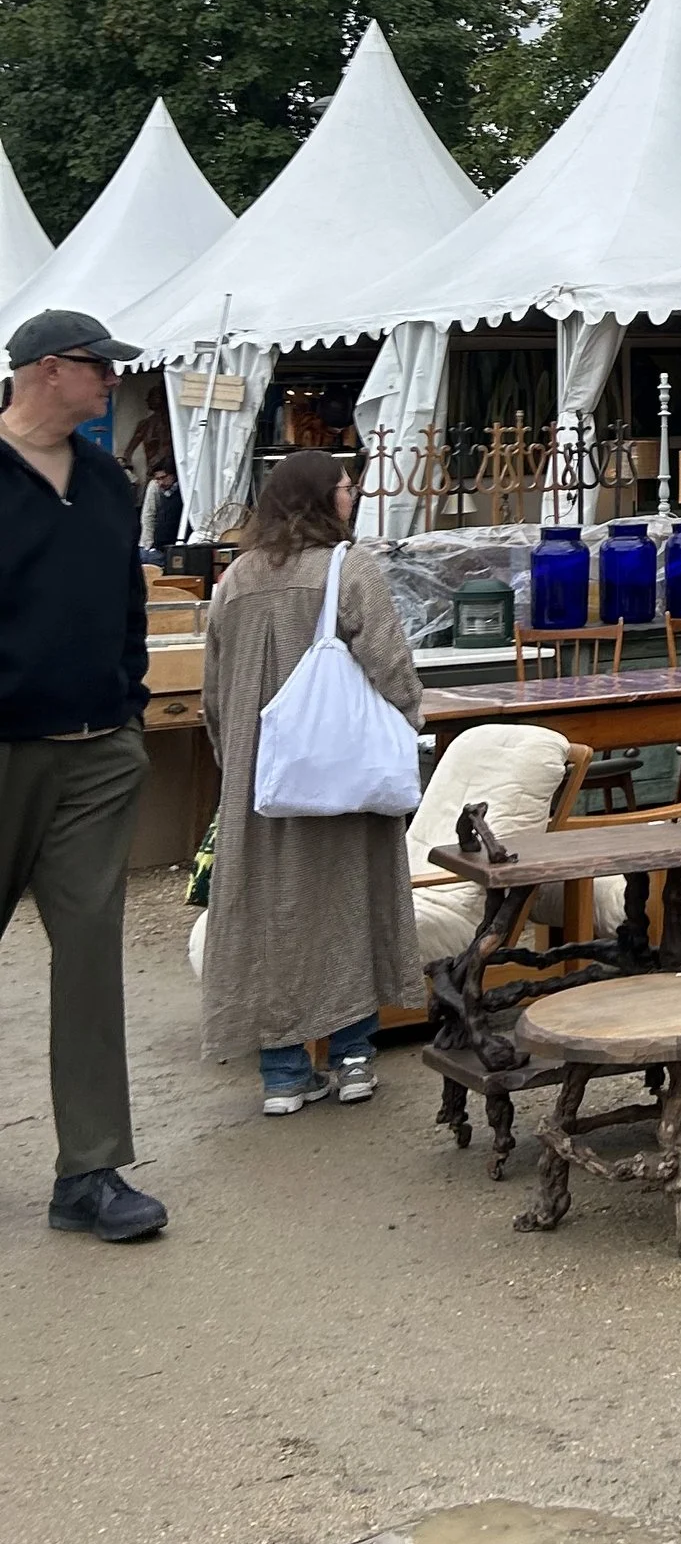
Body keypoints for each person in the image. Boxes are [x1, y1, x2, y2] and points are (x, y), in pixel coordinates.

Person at [0, 307, 165, 1242]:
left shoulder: (107, 479)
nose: (111, 382)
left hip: (99, 749)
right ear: (46, 370)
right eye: (99, 368)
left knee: (92, 954)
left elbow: (126, 609)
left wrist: (130, 710)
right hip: (4, 747)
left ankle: (90, 1171)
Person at [198, 449, 423, 1112]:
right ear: (321, 498)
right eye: (346, 488)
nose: (352, 498)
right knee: (351, 905)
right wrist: (403, 724)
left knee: (267, 917)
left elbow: (215, 693)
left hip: (260, 778)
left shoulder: (234, 579)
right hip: (342, 776)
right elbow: (390, 662)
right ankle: (354, 1059)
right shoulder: (346, 567)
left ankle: (284, 1074)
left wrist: (233, 760)